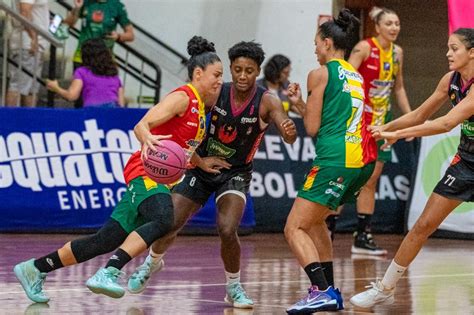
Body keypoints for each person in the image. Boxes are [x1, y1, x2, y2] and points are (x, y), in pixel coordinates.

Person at [12, 36, 223, 303]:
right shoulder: (183, 97)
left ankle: (35, 268)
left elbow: (184, 152)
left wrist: (202, 163)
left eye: (221, 76)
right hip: (145, 171)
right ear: (198, 73)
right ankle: (109, 272)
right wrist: (146, 135)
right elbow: (141, 125)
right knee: (163, 218)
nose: (219, 80)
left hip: (159, 178)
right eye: (216, 74)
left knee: (104, 240)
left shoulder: (202, 111)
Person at [124, 41, 298, 309]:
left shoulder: (266, 101)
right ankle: (151, 263)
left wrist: (288, 131)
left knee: (228, 228)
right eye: (237, 69)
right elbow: (190, 129)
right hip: (201, 166)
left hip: (235, 172)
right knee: (171, 221)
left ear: (257, 71)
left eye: (249, 71)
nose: (242, 76)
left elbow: (284, 127)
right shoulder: (215, 94)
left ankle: (233, 286)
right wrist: (198, 160)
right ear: (230, 69)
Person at [350, 27, 474, 308]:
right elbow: (420, 114)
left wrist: (400, 135)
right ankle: (385, 288)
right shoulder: (450, 80)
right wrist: (386, 128)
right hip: (466, 162)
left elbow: (446, 123)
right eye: (447, 47)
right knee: (424, 224)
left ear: (472, 52)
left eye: (454, 48)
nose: (448, 53)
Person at [284, 9, 377, 314]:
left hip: (335, 159)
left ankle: (320, 290)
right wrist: (300, 103)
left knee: (294, 227)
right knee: (316, 224)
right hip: (361, 159)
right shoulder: (355, 75)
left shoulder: (320, 74)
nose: (314, 49)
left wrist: (299, 105)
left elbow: (312, 128)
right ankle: (330, 290)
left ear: (326, 43)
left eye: (316, 43)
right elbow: (328, 119)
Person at [329, 6, 412, 256]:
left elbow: (398, 88)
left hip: (383, 123)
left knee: (372, 179)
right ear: (377, 27)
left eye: (397, 23)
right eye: (389, 23)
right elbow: (346, 78)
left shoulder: (398, 52)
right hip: (359, 121)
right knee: (348, 177)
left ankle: (362, 236)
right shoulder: (364, 48)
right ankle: (327, 228)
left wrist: (408, 119)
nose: (394, 27)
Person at [46, 38, 124, 108]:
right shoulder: (114, 75)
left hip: (92, 112)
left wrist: (56, 88)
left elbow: (72, 96)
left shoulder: (82, 72)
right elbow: (121, 104)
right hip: (113, 112)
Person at [63, 0, 134, 68]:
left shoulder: (117, 5)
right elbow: (68, 24)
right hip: (82, 56)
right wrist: (77, 8)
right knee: (78, 81)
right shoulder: (86, 2)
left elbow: (130, 35)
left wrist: (118, 36)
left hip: (104, 58)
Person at [6, 0, 50, 107]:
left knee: (31, 89)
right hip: (27, 43)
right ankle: (9, 122)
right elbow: (24, 11)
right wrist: (33, 37)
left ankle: (28, 121)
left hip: (33, 44)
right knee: (18, 86)